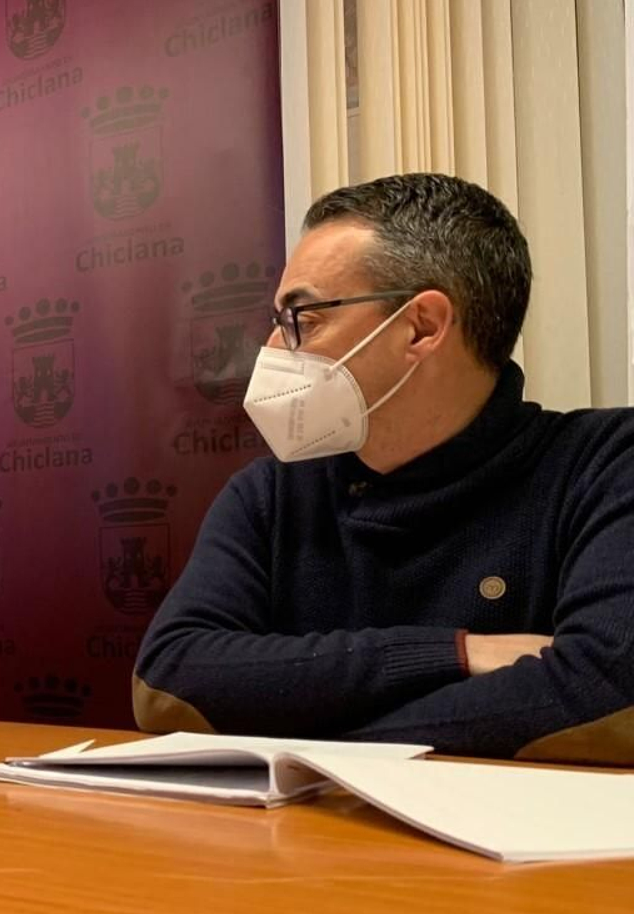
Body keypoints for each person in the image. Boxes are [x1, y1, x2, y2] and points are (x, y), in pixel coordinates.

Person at [134, 173, 634, 764]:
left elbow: (607, 690)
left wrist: (313, 739)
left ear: (421, 326)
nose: (272, 349)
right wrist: (456, 654)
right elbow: (171, 679)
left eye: (303, 318)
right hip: (299, 848)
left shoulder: (605, 462)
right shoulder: (270, 494)